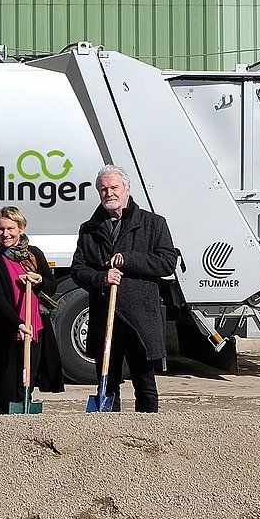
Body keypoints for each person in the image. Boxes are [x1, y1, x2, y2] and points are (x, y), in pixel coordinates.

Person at [71, 164, 177, 412]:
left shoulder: (153, 224)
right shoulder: (89, 229)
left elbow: (167, 262)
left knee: (145, 382)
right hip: (105, 318)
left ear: (127, 188)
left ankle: (149, 435)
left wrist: (129, 259)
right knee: (107, 384)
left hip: (140, 318)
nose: (109, 193)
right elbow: (78, 269)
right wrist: (101, 278)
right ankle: (110, 435)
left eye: (114, 187)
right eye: (103, 189)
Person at [0, 206, 64, 414]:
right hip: (5, 333)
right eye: (0, 229)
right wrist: (18, 323)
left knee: (26, 384)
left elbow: (51, 287)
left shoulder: (34, 255)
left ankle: (24, 428)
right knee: (5, 391)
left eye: (10, 228)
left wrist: (39, 280)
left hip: (34, 329)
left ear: (21, 228)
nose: (5, 234)